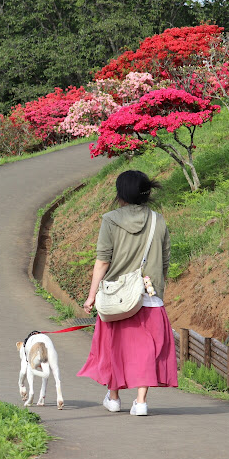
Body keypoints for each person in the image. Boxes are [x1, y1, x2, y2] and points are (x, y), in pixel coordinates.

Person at [77, 170, 178, 415]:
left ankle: (113, 398)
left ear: (121, 193)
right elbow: (164, 262)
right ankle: (141, 402)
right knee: (146, 350)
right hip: (149, 295)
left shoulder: (110, 219)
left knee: (114, 346)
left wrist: (91, 297)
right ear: (146, 193)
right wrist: (157, 291)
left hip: (117, 296)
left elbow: (102, 261)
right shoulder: (158, 220)